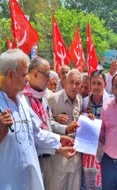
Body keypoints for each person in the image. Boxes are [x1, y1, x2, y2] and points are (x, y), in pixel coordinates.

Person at [0, 49, 74, 190]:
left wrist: (58, 141)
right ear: (10, 75)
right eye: (23, 74)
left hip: (29, 183)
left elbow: (34, 135)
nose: (27, 78)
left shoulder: (22, 102)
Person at [22, 56, 78, 189]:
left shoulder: (42, 96)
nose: (50, 79)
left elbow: (49, 122)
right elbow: (34, 135)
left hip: (49, 158)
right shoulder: (23, 99)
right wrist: (57, 145)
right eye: (47, 75)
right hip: (34, 159)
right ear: (35, 73)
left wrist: (66, 129)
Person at [47, 69, 83, 190]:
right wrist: (64, 128)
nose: (74, 86)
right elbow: (46, 123)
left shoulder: (80, 100)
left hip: (76, 156)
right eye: (71, 82)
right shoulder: (52, 99)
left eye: (77, 83)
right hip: (59, 157)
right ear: (65, 82)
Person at [81, 69, 112, 190]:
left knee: (105, 181)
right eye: (93, 83)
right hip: (89, 151)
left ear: (105, 83)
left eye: (99, 83)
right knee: (89, 182)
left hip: (106, 148)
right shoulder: (84, 102)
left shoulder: (111, 101)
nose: (96, 86)